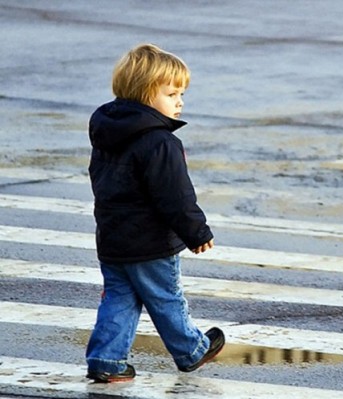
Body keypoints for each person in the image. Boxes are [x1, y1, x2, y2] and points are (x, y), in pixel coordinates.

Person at [85, 43, 225, 383]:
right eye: (172, 93)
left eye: (181, 94)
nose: (180, 101)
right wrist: (197, 232)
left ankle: (106, 359)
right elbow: (174, 196)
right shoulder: (161, 142)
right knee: (166, 297)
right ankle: (191, 350)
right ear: (146, 94)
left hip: (113, 236)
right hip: (150, 242)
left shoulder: (107, 132)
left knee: (120, 298)